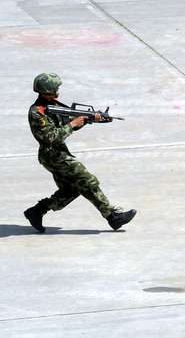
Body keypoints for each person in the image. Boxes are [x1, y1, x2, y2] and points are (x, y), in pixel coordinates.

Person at [23, 73, 137, 233]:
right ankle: (112, 217)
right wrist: (73, 124)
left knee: (72, 190)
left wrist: (91, 119)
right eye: (55, 88)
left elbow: (71, 121)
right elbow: (51, 137)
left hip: (57, 153)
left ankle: (37, 211)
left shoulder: (54, 105)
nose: (58, 90)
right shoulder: (37, 112)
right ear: (46, 90)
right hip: (52, 155)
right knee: (87, 180)